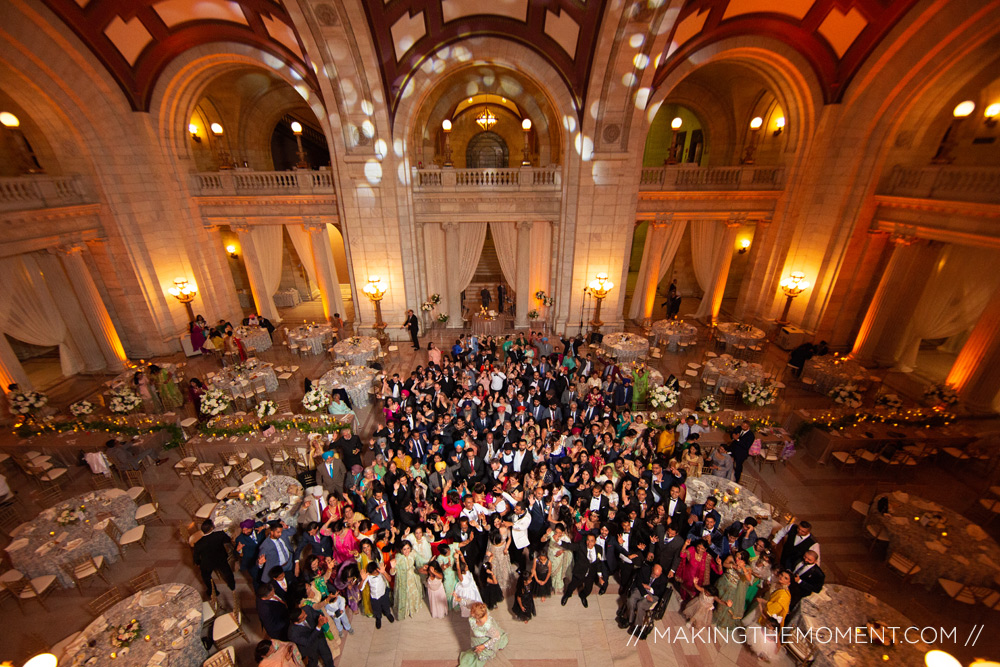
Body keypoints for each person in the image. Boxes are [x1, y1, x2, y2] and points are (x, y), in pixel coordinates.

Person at [560, 533, 605, 608]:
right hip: (579, 572)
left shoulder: (599, 549)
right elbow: (569, 546)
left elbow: (599, 563)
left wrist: (600, 576)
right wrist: (559, 542)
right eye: (588, 540)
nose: (589, 543)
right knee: (571, 587)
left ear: (595, 542)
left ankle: (582, 596)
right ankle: (567, 596)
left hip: (590, 574)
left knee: (588, 589)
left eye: (591, 541)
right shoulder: (581, 546)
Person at [458, 602, 509, 667]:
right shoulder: (479, 610)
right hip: (475, 639)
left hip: (483, 641)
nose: (470, 613)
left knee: (479, 655)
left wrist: (483, 646)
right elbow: (468, 604)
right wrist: (459, 599)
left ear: (477, 616)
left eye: (472, 613)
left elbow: (496, 637)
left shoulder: (487, 626)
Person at [192, 519, 236, 593]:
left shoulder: (198, 544)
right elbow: (227, 540)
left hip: (207, 563)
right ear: (211, 528)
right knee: (227, 572)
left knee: (206, 576)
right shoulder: (219, 534)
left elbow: (196, 556)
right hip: (220, 558)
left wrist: (198, 563)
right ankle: (232, 586)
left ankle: (213, 591)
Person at [622, 563, 667, 631]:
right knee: (631, 599)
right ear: (652, 569)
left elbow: (660, 592)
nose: (654, 576)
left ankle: (638, 626)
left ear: (660, 573)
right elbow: (639, 582)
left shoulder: (663, 579)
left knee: (641, 605)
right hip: (641, 589)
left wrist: (650, 589)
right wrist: (645, 593)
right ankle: (630, 619)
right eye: (654, 574)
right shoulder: (644, 570)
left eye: (657, 575)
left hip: (653, 594)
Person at [393, 541, 423, 619]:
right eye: (404, 549)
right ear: (401, 550)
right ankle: (405, 611)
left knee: (414, 592)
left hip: (412, 576)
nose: (407, 551)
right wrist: (392, 568)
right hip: (403, 579)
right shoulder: (398, 558)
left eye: (408, 548)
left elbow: (420, 562)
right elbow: (393, 573)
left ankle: (413, 608)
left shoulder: (413, 554)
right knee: (405, 595)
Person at [360, 560, 395, 629]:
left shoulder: (381, 573)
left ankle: (388, 614)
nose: (376, 574)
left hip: (383, 594)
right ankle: (378, 618)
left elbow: (390, 579)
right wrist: (363, 580)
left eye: (376, 572)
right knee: (376, 609)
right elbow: (360, 587)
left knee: (386, 606)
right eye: (374, 573)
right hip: (374, 597)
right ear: (369, 573)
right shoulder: (368, 577)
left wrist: (384, 572)